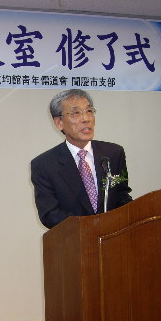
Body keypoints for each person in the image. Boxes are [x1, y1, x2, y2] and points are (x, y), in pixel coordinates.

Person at [30, 89, 132, 229]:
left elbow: (122, 197)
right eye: (76, 113)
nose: (86, 119)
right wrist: (91, 227)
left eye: (89, 111)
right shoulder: (44, 165)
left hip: (113, 236)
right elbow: (50, 214)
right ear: (59, 122)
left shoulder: (113, 153)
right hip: (74, 239)